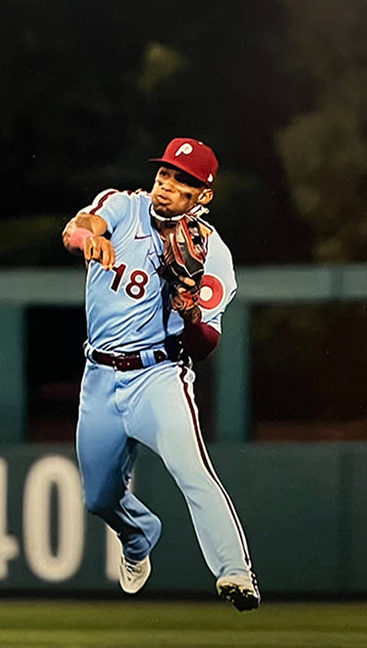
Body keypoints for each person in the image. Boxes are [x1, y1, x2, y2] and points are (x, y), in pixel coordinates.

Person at [61, 137, 259, 611]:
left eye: (183, 181)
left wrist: (190, 312)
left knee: (193, 471)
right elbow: (76, 229)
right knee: (99, 498)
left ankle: (235, 572)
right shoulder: (123, 207)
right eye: (166, 173)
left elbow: (206, 344)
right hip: (100, 377)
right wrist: (92, 238)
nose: (167, 185)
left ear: (202, 196)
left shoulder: (212, 255)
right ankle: (139, 537)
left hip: (158, 377)